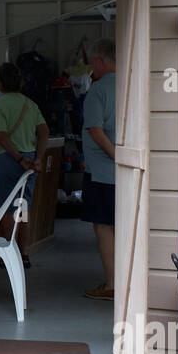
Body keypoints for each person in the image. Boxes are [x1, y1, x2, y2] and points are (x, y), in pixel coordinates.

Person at [0, 61, 48, 267]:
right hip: (29, 159)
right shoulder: (30, 104)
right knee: (23, 206)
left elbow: (0, 136)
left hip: (7, 159)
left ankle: (8, 253)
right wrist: (37, 158)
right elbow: (44, 132)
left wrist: (18, 158)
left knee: (6, 207)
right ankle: (24, 253)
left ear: (1, 83)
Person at [80, 38, 116, 300]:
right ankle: (125, 281)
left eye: (93, 62)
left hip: (103, 172)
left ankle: (112, 284)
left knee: (104, 227)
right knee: (123, 227)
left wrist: (117, 156)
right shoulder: (131, 85)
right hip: (124, 173)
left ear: (101, 61)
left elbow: (95, 130)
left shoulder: (98, 90)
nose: (92, 68)